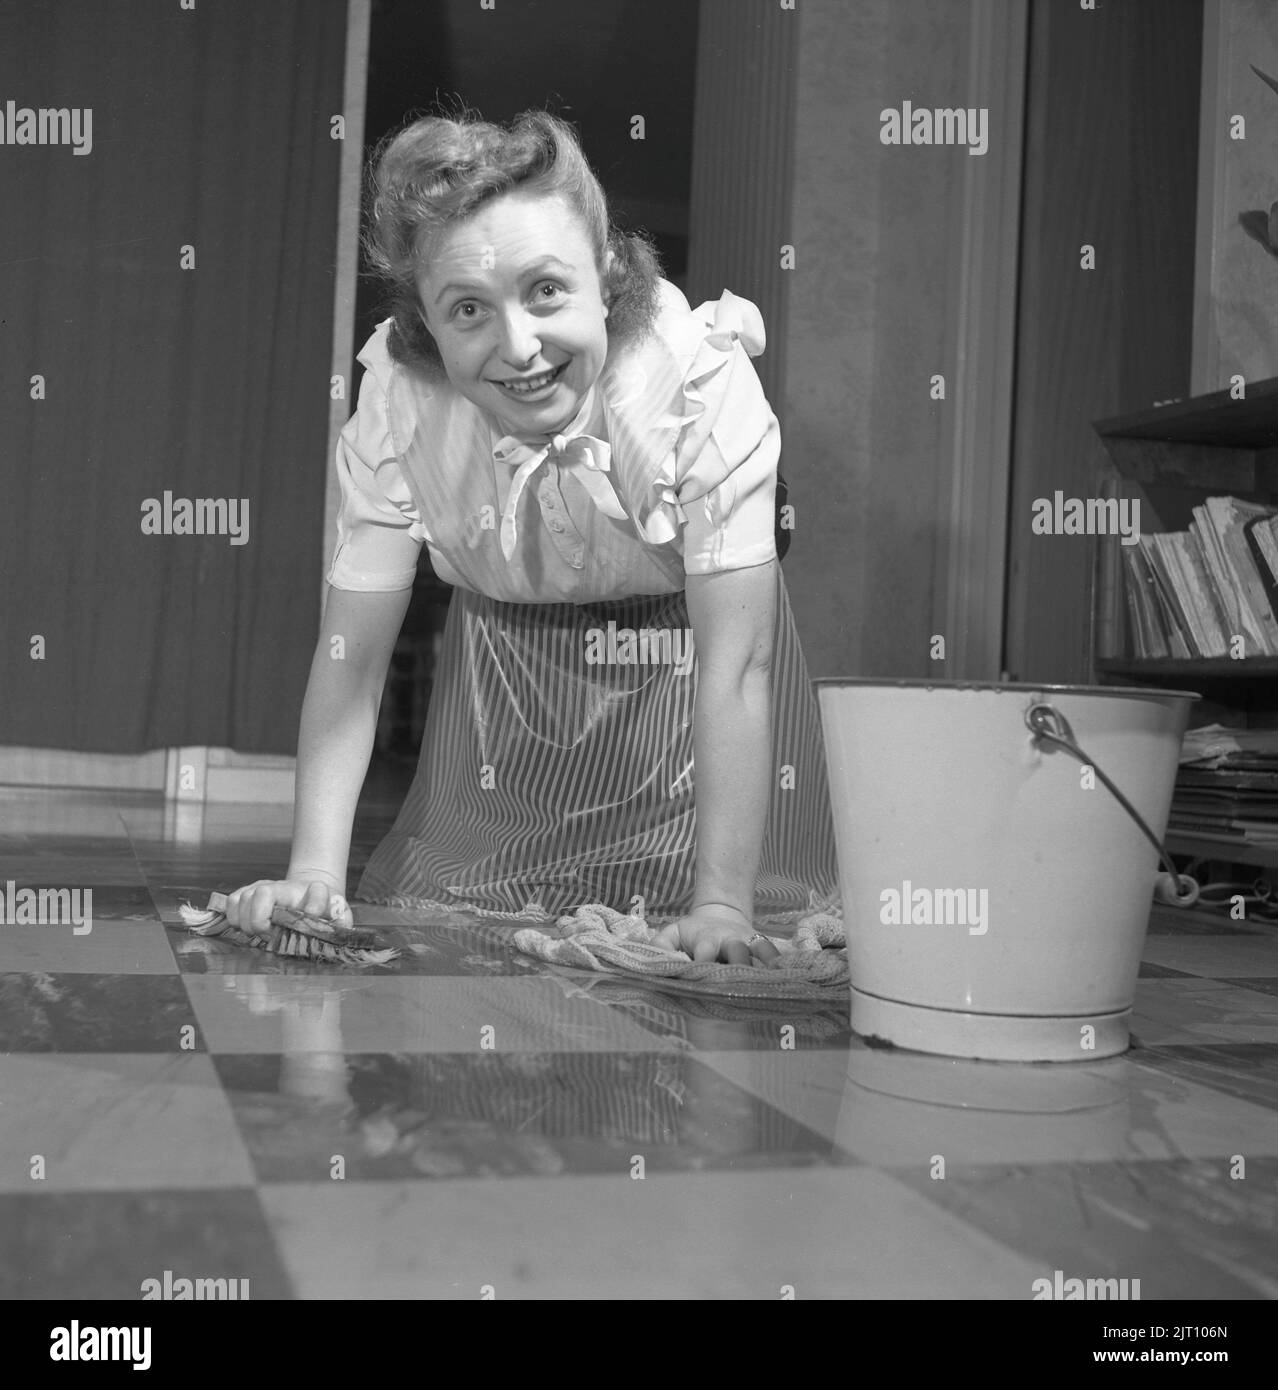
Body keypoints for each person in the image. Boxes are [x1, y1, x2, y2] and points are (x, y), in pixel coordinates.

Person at [226, 107, 838, 964]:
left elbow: (739, 667)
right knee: (482, 962)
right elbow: (352, 658)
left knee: (689, 947)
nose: (520, 347)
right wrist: (314, 874)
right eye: (468, 309)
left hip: (688, 673)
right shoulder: (400, 410)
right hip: (509, 684)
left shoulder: (695, 386)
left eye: (547, 290)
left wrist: (725, 906)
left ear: (608, 270)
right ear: (424, 327)